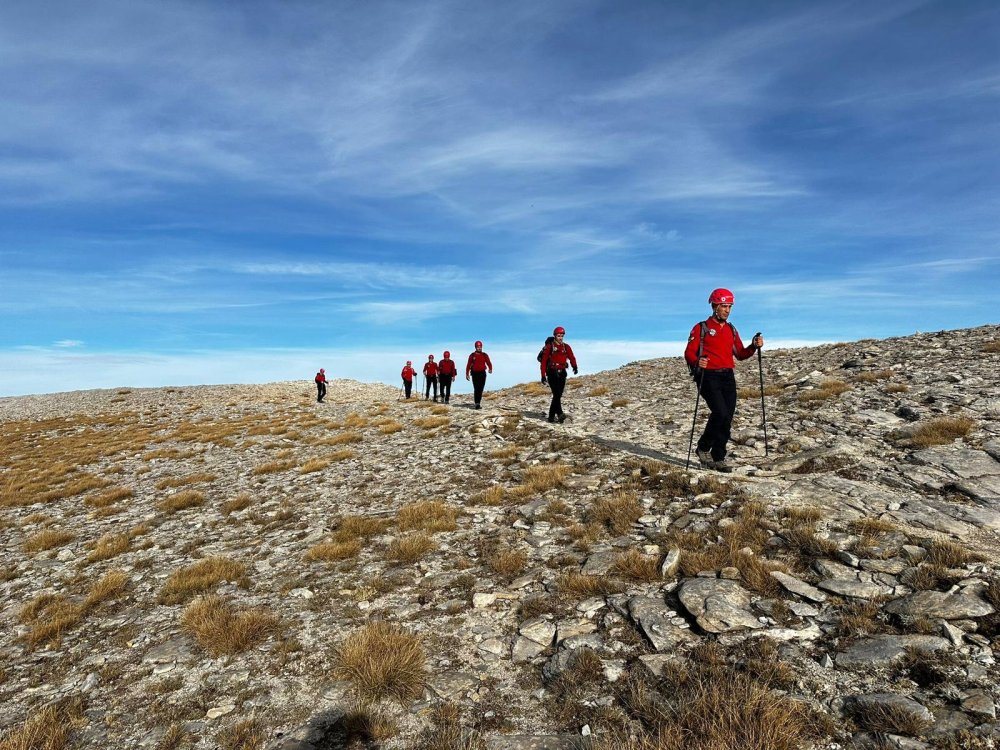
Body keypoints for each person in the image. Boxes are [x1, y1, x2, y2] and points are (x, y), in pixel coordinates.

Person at [684, 288, 764, 472]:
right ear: (714, 306)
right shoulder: (701, 328)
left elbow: (741, 354)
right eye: (723, 306)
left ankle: (718, 457)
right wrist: (698, 361)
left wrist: (753, 346)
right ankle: (703, 448)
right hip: (708, 376)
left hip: (728, 375)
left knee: (727, 417)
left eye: (729, 306)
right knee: (720, 412)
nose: (727, 310)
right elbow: (688, 352)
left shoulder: (731, 329)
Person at [540, 326, 577, 423]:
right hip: (552, 373)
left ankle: (551, 417)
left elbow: (572, 357)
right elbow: (543, 362)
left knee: (558, 395)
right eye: (558, 335)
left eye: (562, 336)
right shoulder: (549, 347)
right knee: (556, 394)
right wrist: (543, 376)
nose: (560, 337)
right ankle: (560, 414)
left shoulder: (566, 347)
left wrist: (575, 366)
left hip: (562, 373)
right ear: (555, 336)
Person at [465, 340, 493, 409]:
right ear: (475, 347)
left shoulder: (484, 355)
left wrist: (490, 368)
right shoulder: (472, 355)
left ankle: (478, 402)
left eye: (480, 346)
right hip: (475, 374)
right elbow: (468, 365)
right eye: (478, 347)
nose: (479, 348)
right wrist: (467, 374)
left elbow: (488, 362)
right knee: (476, 388)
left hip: (482, 373)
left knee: (481, 388)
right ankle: (477, 403)